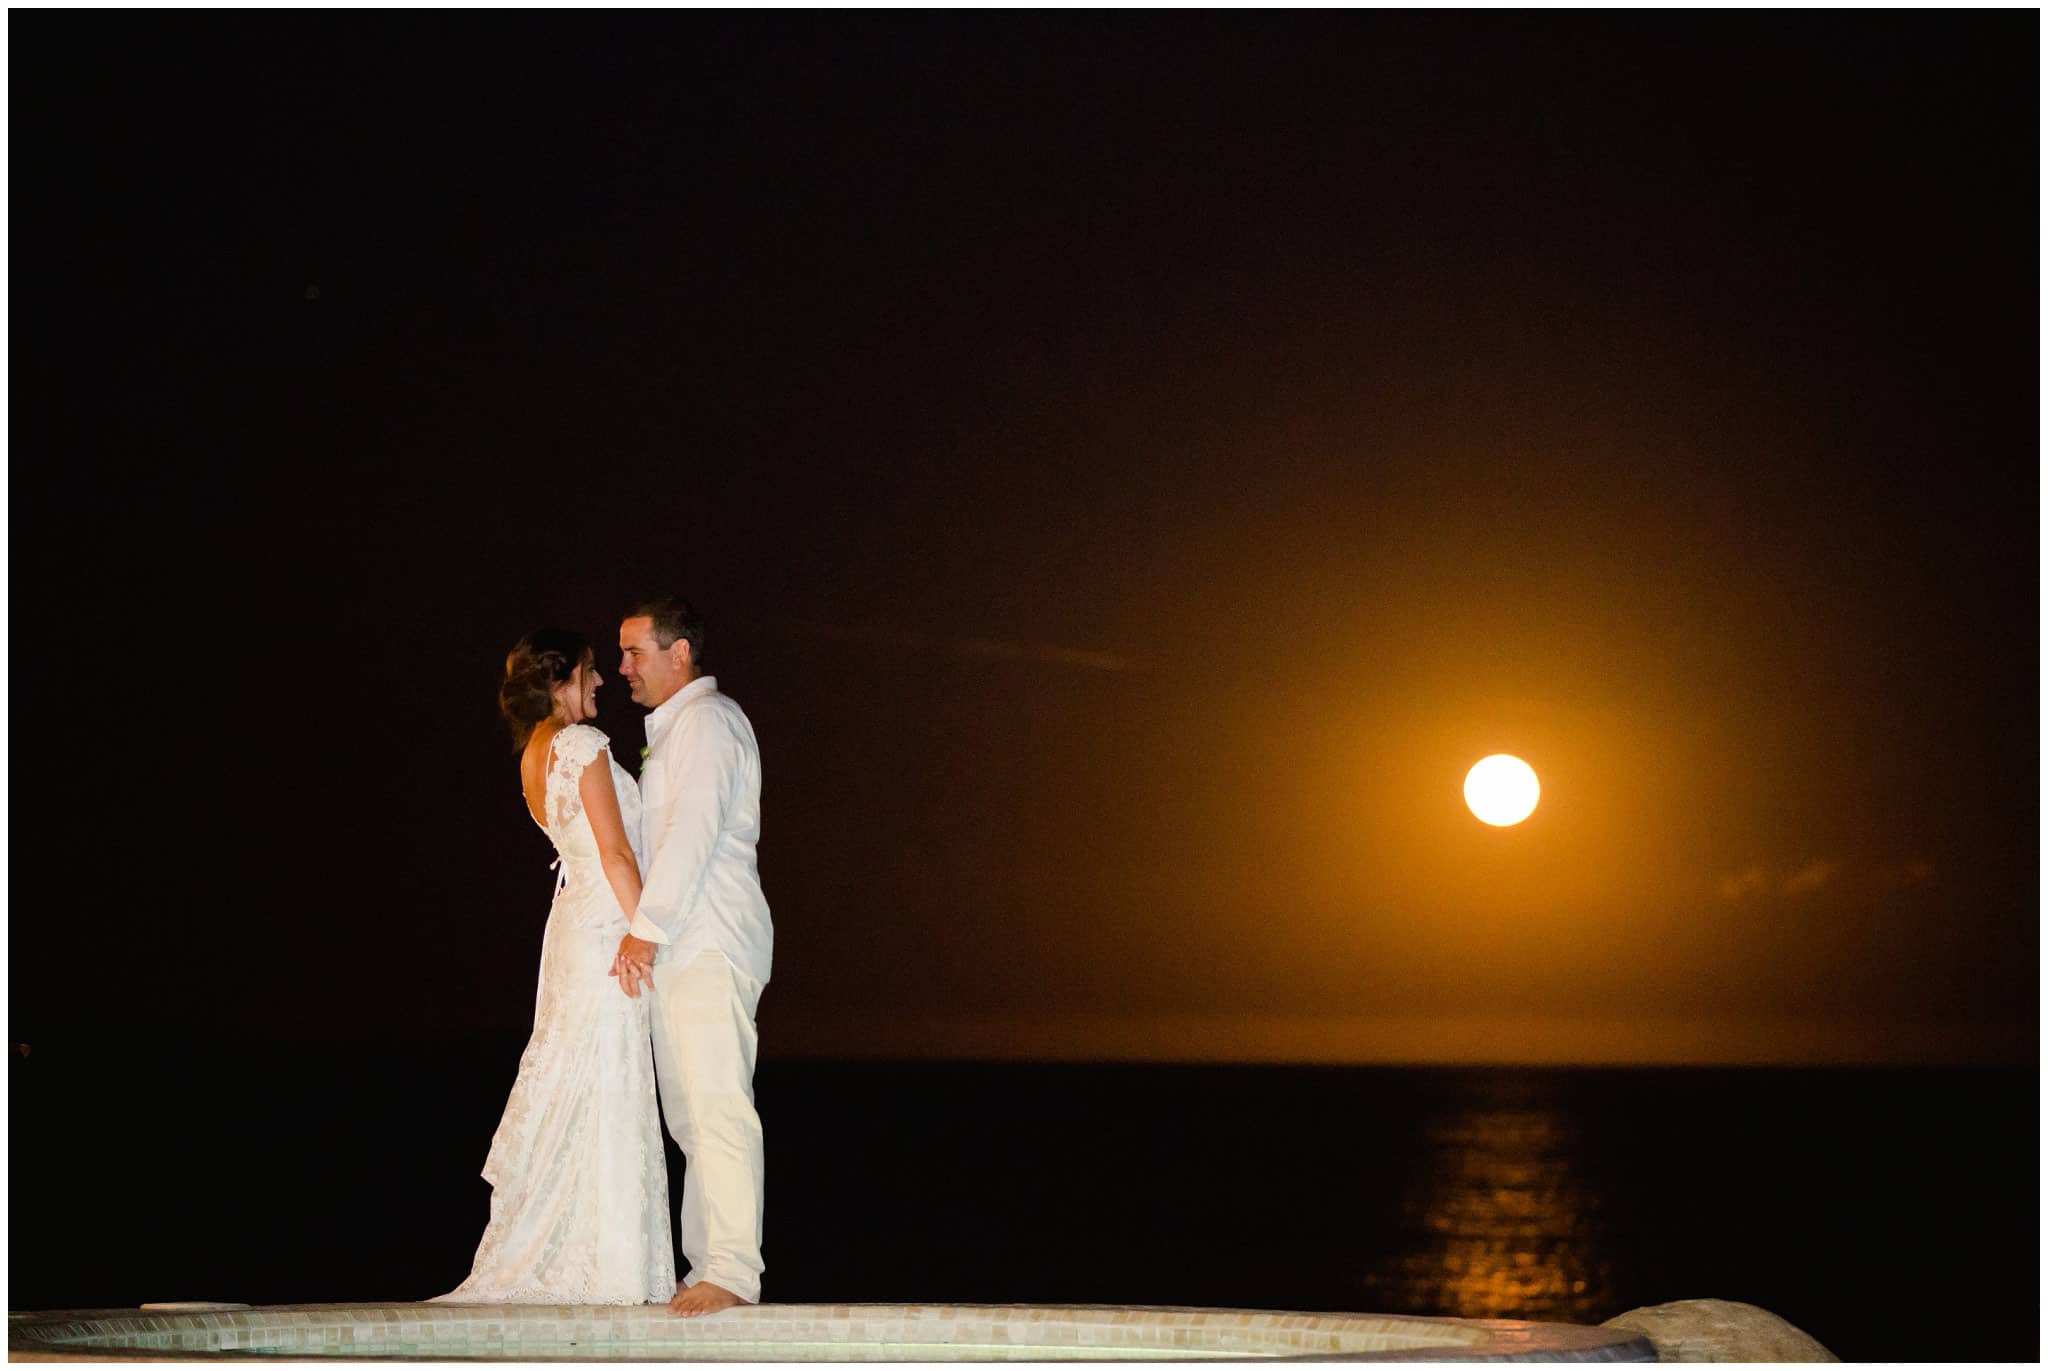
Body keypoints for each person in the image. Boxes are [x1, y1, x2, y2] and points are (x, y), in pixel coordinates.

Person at [433, 628, 675, 1305]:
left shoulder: (533, 755)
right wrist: (647, 934)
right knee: (605, 1082)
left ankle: (579, 1250)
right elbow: (617, 855)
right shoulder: (579, 744)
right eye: (592, 672)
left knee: (581, 1079)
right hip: (606, 934)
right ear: (561, 678)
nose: (600, 684)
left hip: (575, 930)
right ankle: (612, 1266)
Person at [610, 596, 773, 1318]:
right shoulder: (677, 730)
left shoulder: (709, 721)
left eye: (634, 652)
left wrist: (647, 926)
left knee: (717, 1106)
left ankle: (735, 1268)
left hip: (708, 940)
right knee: (690, 1115)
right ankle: (708, 1262)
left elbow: (692, 834)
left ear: (680, 654)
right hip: (685, 945)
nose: (622, 668)